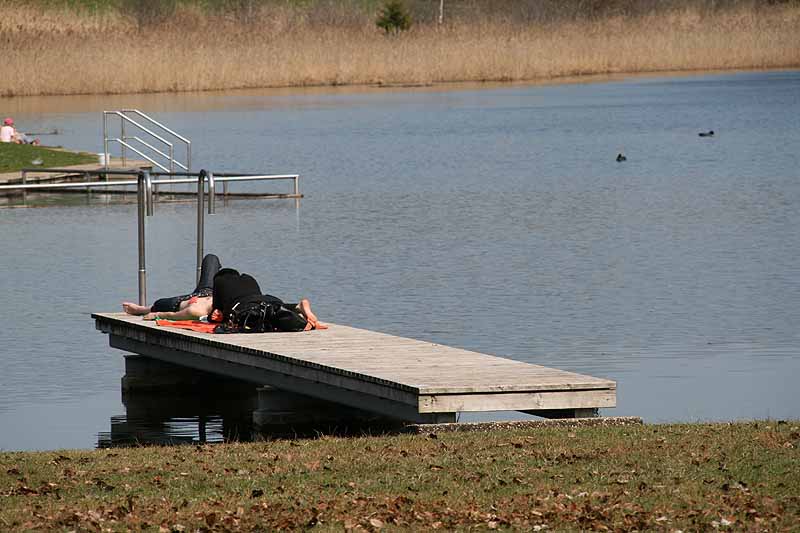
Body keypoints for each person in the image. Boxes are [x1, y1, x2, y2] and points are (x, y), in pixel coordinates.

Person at [211, 267, 327, 331]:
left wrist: (216, 315)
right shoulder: (248, 277)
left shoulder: (218, 281)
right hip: (267, 299)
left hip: (244, 306)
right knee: (270, 308)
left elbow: (215, 311)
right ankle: (297, 307)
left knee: (266, 316)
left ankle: (301, 324)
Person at [122, 253, 221, 322]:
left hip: (182, 302)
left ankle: (141, 310)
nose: (216, 314)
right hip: (209, 291)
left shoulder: (196, 311)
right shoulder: (230, 303)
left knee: (159, 304)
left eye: (216, 316)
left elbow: (172, 316)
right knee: (211, 258)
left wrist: (157, 315)